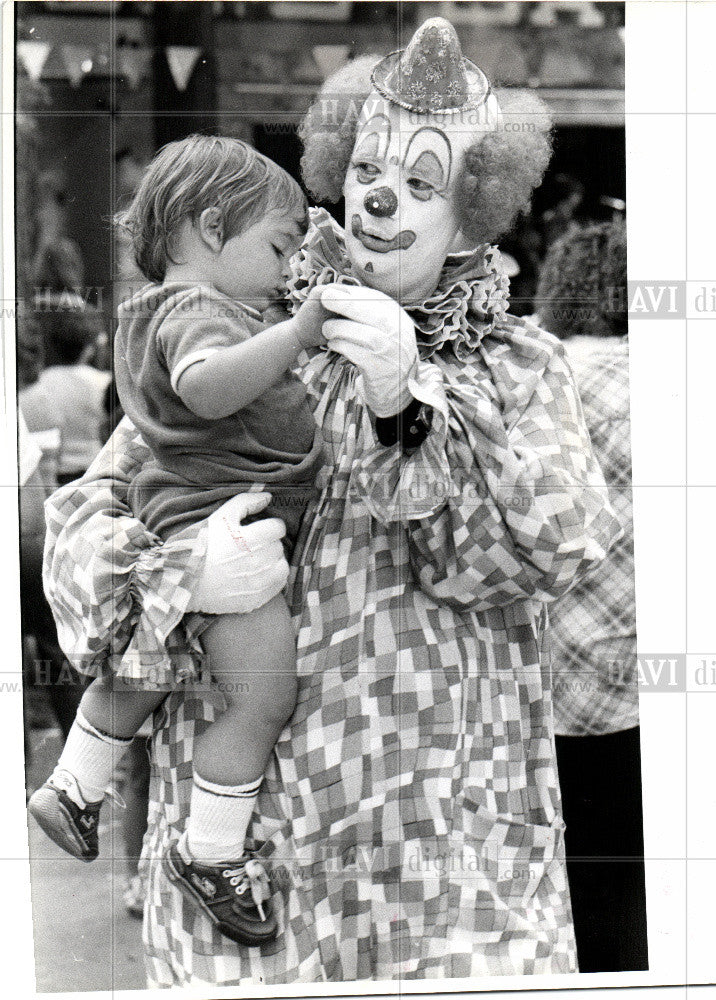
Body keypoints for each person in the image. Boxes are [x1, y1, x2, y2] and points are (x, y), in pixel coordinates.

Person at [43, 19, 617, 985]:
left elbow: (535, 556)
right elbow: (81, 533)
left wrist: (407, 407)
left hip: (439, 858)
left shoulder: (519, 370)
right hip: (255, 853)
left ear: (471, 214)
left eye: (423, 184)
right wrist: (182, 571)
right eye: (367, 172)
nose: (383, 199)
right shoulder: (240, 331)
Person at [30, 135, 329, 947]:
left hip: (186, 518)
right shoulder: (198, 312)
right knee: (264, 694)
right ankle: (210, 851)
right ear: (206, 228)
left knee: (154, 662)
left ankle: (75, 783)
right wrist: (298, 332)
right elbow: (206, 387)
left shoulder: (180, 310)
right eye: (277, 244)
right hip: (218, 519)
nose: (287, 264)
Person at [536, 220, 648, 971]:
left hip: (533, 687)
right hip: (638, 685)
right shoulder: (669, 375)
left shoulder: (531, 374)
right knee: (635, 896)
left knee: (557, 895)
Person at [19, 306, 111, 486]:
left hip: (53, 474)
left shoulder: (38, 385)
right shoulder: (103, 382)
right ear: (89, 347)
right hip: (95, 471)